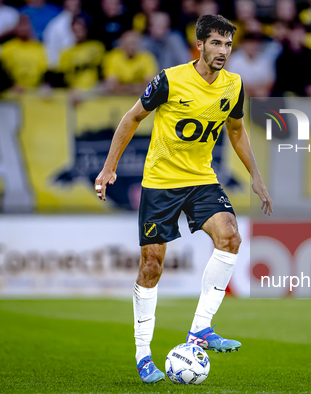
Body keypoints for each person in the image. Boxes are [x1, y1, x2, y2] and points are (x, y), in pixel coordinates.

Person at [94, 14, 272, 384]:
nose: (224, 51)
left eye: (228, 44)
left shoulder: (234, 85)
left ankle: (200, 330)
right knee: (152, 266)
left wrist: (255, 175)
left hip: (202, 179)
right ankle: (144, 355)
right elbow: (131, 119)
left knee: (231, 237)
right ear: (200, 45)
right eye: (217, 43)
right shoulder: (170, 80)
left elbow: (236, 131)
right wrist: (108, 169)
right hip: (160, 183)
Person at [0, 15, 48, 90]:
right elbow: (0, 73)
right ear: (16, 27)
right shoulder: (5, 49)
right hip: (12, 90)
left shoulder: (40, 48)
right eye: (21, 25)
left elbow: (45, 72)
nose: (24, 28)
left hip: (36, 90)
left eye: (26, 25)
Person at [103, 30, 158, 95]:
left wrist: (123, 87)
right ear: (122, 44)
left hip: (140, 98)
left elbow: (151, 85)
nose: (131, 47)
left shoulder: (147, 58)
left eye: (134, 43)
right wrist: (136, 87)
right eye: (129, 43)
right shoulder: (112, 58)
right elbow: (111, 86)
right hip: (118, 96)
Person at [57, 16, 105, 90]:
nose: (78, 33)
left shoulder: (96, 47)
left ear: (86, 29)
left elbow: (96, 62)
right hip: (73, 89)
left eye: (81, 30)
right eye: (75, 30)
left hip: (92, 88)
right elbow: (62, 72)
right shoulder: (66, 52)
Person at [226, 33, 276, 97]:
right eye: (249, 44)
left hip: (260, 92)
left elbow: (270, 81)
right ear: (243, 44)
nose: (252, 46)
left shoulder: (265, 59)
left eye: (254, 44)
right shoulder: (234, 59)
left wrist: (257, 90)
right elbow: (232, 82)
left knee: (263, 94)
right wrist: (251, 90)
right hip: (241, 91)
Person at [43, 0, 89, 69]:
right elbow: (50, 51)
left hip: (85, 65)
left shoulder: (87, 19)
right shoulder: (55, 25)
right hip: (64, 69)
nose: (74, 2)